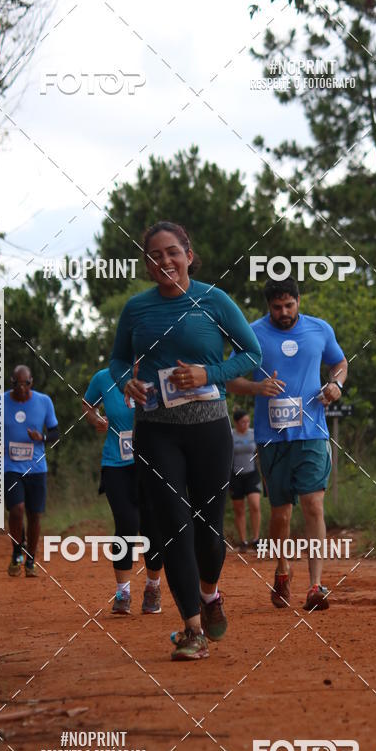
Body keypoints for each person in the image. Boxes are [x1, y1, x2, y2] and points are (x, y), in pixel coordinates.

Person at [109, 220, 262, 661]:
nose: (165, 261)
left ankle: (210, 595)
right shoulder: (137, 309)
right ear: (147, 264)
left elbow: (252, 353)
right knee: (174, 526)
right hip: (156, 430)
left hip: (209, 428)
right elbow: (120, 359)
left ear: (189, 254)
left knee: (208, 529)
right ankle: (192, 628)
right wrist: (127, 383)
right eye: (155, 256)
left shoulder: (215, 301)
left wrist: (208, 374)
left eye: (172, 252)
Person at [228, 277, 347, 612]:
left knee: (313, 504)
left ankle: (316, 584)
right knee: (280, 514)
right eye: (277, 307)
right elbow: (229, 379)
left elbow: (340, 363)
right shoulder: (251, 333)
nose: (284, 312)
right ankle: (282, 569)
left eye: (289, 305)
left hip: (311, 434)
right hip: (272, 439)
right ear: (268, 307)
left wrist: (335, 384)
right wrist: (256, 388)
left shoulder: (319, 329)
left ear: (299, 300)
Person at [83, 367, 163, 614]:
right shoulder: (103, 378)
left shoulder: (156, 372)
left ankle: (152, 586)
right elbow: (87, 404)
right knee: (127, 523)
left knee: (151, 525)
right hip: (116, 463)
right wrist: (96, 419)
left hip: (152, 462)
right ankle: (123, 592)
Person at [4, 365, 59, 578]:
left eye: (26, 384)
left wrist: (42, 438)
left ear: (31, 382)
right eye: (18, 384)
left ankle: (31, 560)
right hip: (10, 467)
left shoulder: (44, 401)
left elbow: (55, 432)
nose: (22, 388)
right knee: (16, 510)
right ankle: (17, 551)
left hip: (36, 467)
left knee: (34, 515)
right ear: (12, 383)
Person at [230, 408, 261, 548]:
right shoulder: (230, 435)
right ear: (236, 423)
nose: (246, 424)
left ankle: (256, 539)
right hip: (235, 476)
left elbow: (259, 453)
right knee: (239, 509)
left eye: (248, 421)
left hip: (252, 474)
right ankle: (243, 541)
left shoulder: (253, 434)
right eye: (243, 422)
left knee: (255, 505)